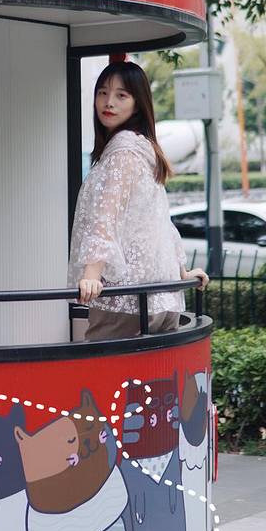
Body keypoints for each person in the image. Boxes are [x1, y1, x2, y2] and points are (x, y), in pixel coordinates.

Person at [68, 61, 208, 340]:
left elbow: (105, 217)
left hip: (127, 298)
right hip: (161, 295)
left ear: (137, 104)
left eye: (121, 95)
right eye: (102, 93)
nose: (109, 102)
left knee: (105, 365)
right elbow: (157, 220)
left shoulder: (122, 152)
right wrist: (181, 272)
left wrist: (92, 275)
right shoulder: (143, 147)